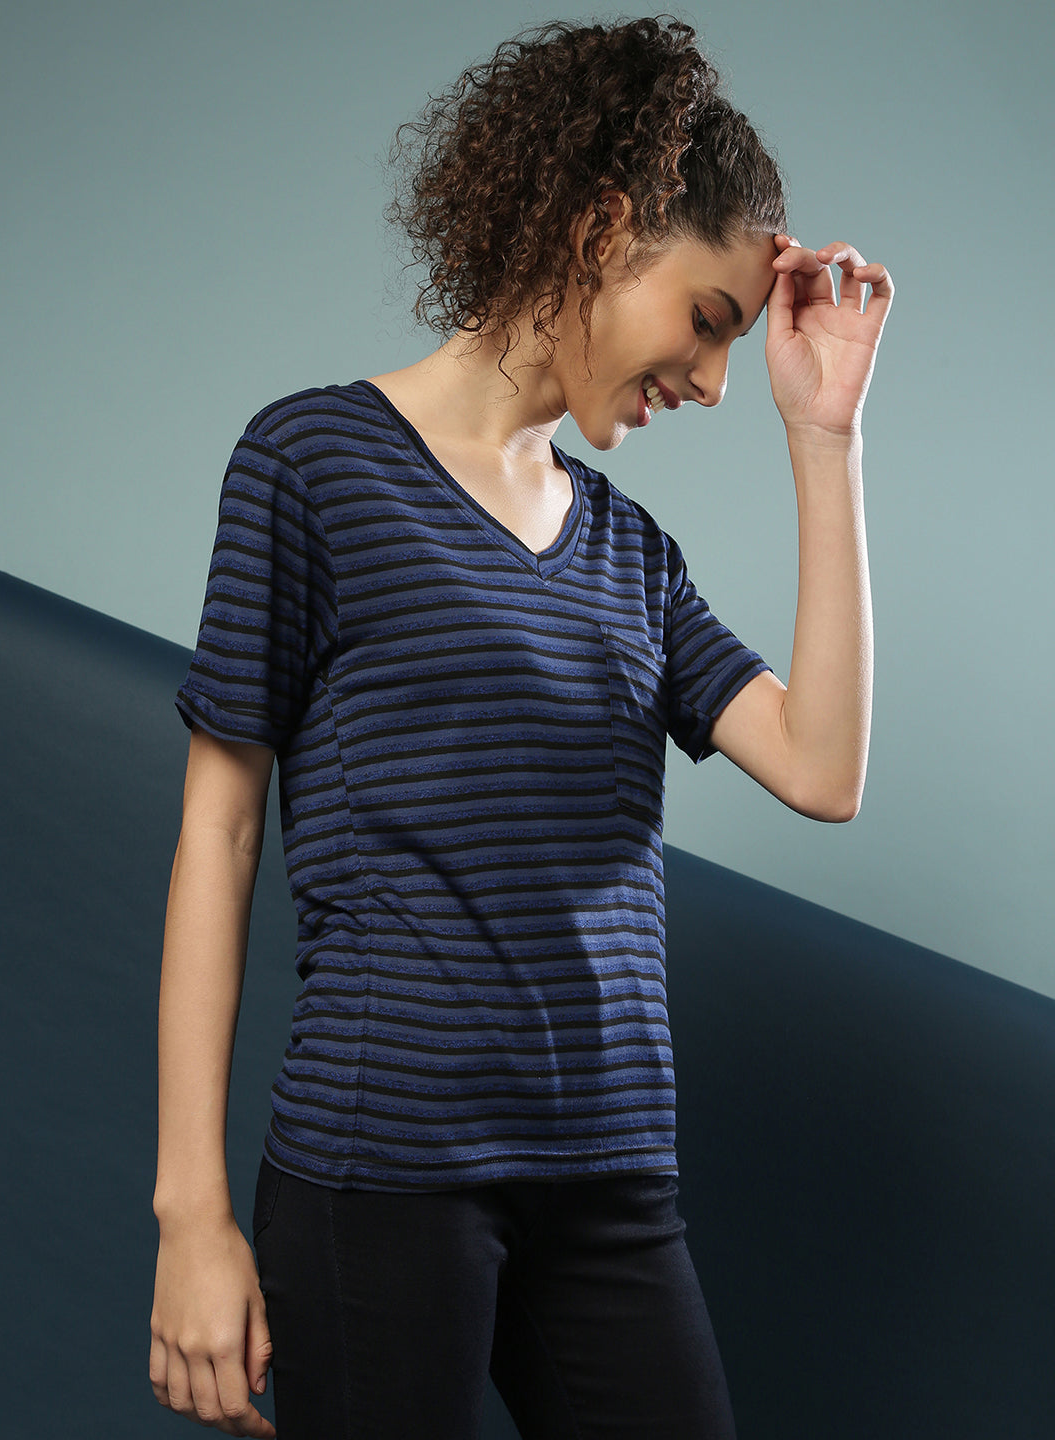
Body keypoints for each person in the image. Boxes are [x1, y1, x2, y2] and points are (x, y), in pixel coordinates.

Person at [149, 14, 893, 1440]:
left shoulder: (633, 557)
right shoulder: (313, 464)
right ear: (602, 232)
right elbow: (219, 835)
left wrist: (826, 435)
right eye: (707, 322)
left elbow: (824, 768)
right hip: (382, 1175)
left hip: (611, 1182)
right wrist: (192, 1217)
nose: (713, 382)